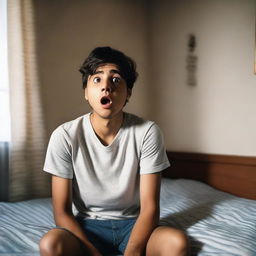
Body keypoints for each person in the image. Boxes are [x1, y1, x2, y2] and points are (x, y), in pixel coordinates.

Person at [39, 46, 189, 256]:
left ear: (128, 93)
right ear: (86, 92)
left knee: (177, 243)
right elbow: (62, 212)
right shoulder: (64, 136)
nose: (106, 87)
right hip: (86, 228)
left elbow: (150, 208)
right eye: (97, 79)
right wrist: (92, 252)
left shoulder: (147, 132)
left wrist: (133, 251)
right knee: (50, 244)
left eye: (116, 80)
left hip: (135, 227)